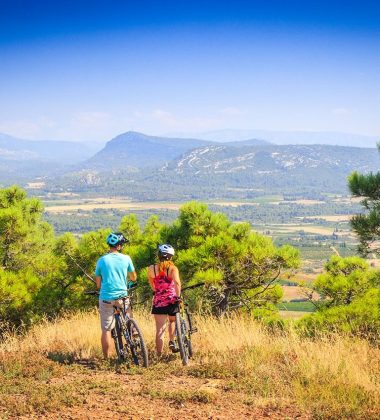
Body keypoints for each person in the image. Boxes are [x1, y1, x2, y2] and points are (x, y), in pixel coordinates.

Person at [95, 232, 137, 358]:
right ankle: (133, 330)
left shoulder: (101, 260)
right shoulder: (126, 258)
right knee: (128, 313)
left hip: (106, 298)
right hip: (122, 296)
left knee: (106, 329)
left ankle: (107, 358)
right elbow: (134, 277)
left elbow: (98, 284)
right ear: (119, 246)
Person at [147, 244, 181, 357]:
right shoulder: (172, 268)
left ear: (159, 256)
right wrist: (178, 296)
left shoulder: (151, 269)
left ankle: (159, 355)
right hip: (172, 299)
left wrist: (158, 291)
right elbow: (177, 283)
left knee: (160, 330)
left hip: (158, 301)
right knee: (172, 321)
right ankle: (172, 341)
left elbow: (152, 284)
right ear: (171, 256)